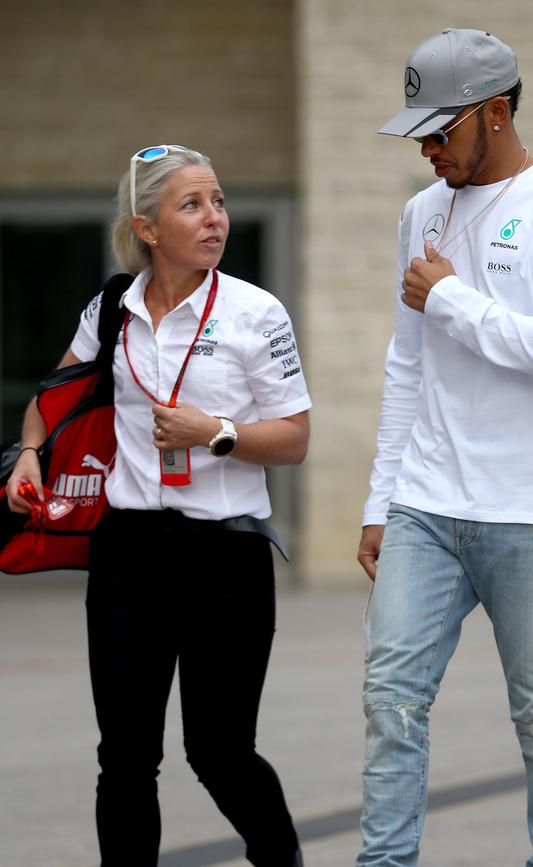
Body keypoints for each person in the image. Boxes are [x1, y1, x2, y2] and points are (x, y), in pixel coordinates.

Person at [6, 144, 309, 867]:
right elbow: (52, 400)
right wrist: (27, 452)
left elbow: (294, 438)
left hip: (226, 554)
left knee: (221, 751)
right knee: (126, 757)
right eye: (192, 204)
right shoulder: (113, 306)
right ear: (146, 226)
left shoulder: (254, 311)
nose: (215, 219)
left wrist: (219, 433)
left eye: (220, 202)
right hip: (128, 552)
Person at [357, 28, 533, 867]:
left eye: (442, 131)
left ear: (495, 113)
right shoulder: (417, 214)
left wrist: (456, 302)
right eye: (420, 134)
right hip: (425, 504)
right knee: (391, 699)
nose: (429, 150)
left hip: (530, 511)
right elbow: (407, 364)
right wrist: (376, 502)